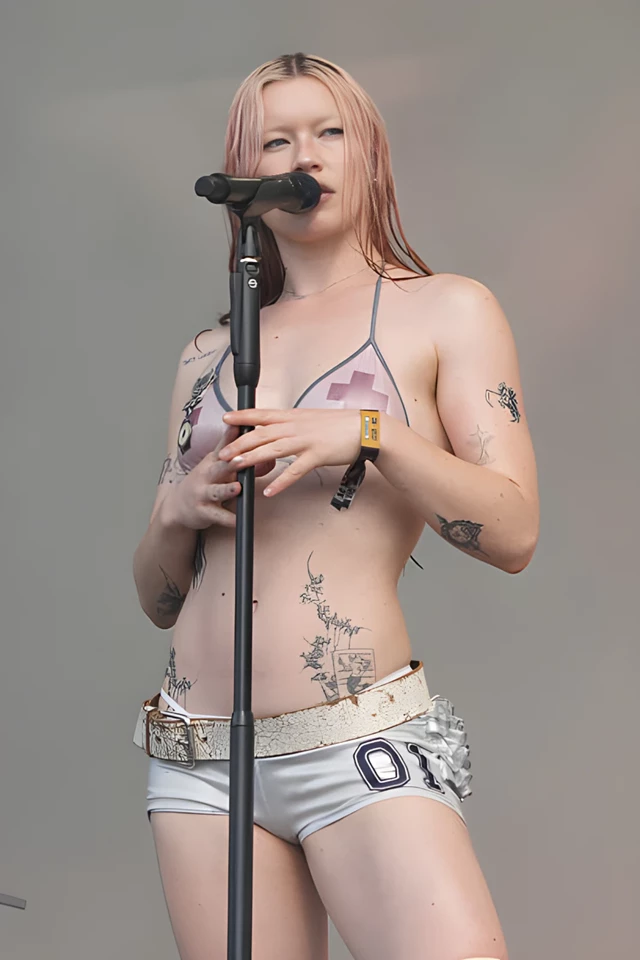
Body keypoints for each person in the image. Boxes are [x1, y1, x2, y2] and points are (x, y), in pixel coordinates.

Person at [132, 52, 538, 960]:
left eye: (329, 132)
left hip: (356, 742)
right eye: (277, 139)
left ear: (373, 154)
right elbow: (159, 597)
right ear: (248, 174)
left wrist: (368, 434)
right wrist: (174, 514)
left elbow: (513, 532)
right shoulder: (206, 355)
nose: (304, 156)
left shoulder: (447, 312)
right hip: (199, 759)